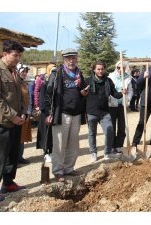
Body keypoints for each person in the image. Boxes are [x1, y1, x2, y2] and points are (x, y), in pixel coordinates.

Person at [0, 40, 27, 204]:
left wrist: (23, 113)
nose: (18, 59)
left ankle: (8, 183)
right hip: (1, 122)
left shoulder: (14, 71)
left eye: (19, 56)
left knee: (13, 155)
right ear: (5, 54)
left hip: (16, 121)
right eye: (15, 55)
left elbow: (20, 95)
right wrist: (13, 116)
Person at [45, 48, 86, 182]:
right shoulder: (57, 73)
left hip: (76, 114)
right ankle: (58, 171)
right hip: (61, 114)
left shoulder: (79, 73)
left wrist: (84, 92)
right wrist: (49, 113)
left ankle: (69, 169)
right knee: (59, 144)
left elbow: (82, 90)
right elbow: (49, 93)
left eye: (74, 57)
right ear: (64, 59)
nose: (72, 60)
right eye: (69, 58)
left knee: (73, 145)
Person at [84, 61, 126, 163]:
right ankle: (93, 153)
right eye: (98, 69)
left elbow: (114, 94)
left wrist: (121, 93)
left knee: (110, 130)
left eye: (102, 69)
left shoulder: (108, 81)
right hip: (91, 112)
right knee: (92, 133)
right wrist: (83, 93)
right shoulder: (88, 81)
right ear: (94, 69)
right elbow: (82, 94)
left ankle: (107, 153)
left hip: (104, 112)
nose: (100, 71)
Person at [108, 61, 133, 154]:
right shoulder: (110, 77)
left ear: (125, 68)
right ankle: (112, 146)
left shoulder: (128, 78)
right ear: (116, 67)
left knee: (122, 126)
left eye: (122, 68)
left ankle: (119, 145)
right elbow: (108, 90)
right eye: (118, 68)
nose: (120, 70)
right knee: (112, 126)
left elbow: (131, 91)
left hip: (122, 105)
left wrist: (127, 98)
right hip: (112, 104)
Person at [36, 64, 56, 163]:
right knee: (46, 134)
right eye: (52, 71)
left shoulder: (57, 84)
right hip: (46, 113)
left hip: (55, 112)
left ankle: (52, 151)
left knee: (53, 134)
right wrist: (48, 113)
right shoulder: (45, 84)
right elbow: (42, 100)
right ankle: (46, 153)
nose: (54, 73)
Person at [17, 63, 32, 164]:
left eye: (25, 72)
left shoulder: (24, 83)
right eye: (22, 72)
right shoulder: (16, 83)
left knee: (22, 136)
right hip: (18, 114)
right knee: (17, 137)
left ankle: (19, 157)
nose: (24, 73)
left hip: (25, 113)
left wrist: (29, 112)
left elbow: (28, 99)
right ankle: (14, 158)